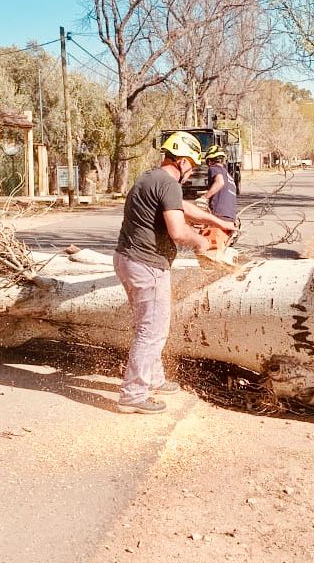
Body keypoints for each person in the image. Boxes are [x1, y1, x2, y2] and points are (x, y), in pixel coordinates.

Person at [114, 131, 235, 415]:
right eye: (191, 165)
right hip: (147, 265)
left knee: (148, 326)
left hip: (126, 259)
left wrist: (216, 221)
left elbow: (184, 208)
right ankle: (133, 394)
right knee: (152, 331)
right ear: (181, 161)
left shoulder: (149, 178)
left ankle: (153, 378)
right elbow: (179, 231)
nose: (191, 172)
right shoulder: (169, 183)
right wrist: (202, 241)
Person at [198, 145, 238, 248]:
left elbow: (219, 183)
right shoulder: (229, 176)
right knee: (221, 246)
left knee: (210, 247)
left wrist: (205, 197)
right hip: (230, 218)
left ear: (210, 161)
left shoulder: (214, 168)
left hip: (219, 215)